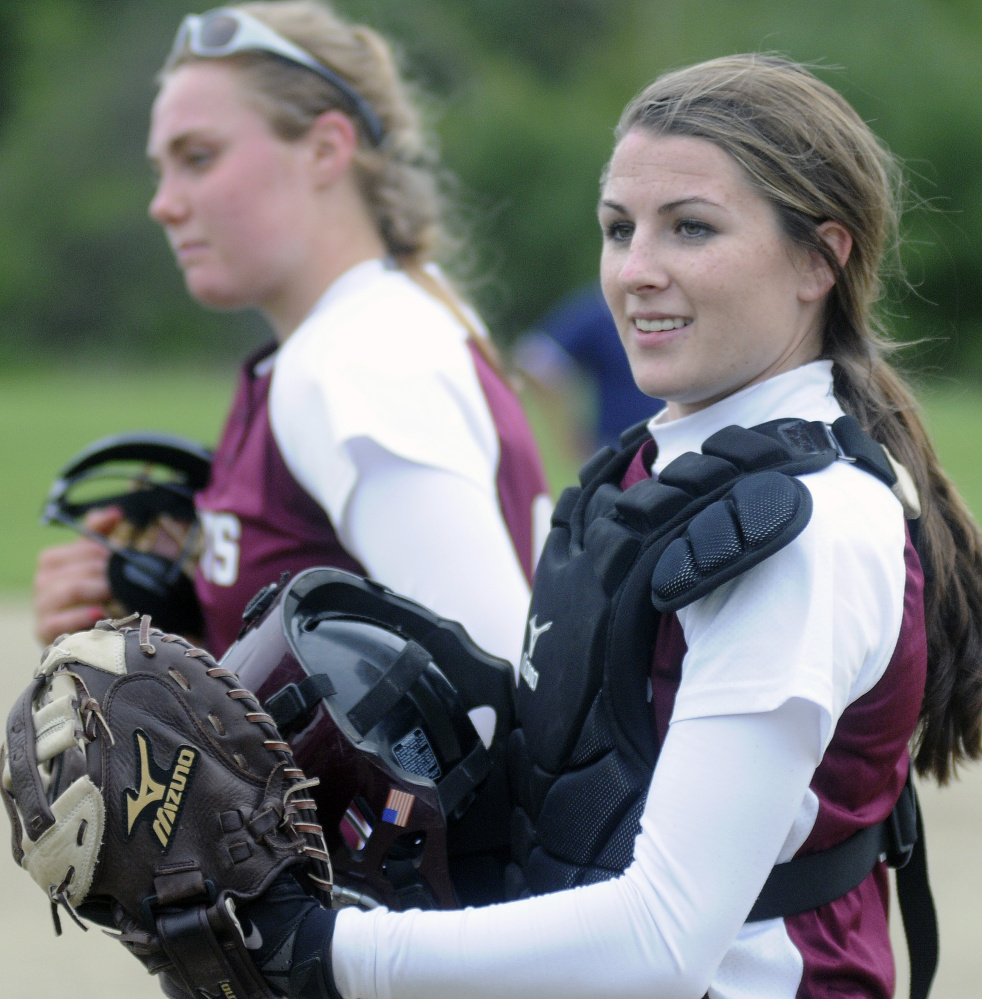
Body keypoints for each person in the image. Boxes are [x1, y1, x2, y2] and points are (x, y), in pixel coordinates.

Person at [233, 54, 982, 999]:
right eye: (619, 228)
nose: (636, 271)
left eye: (691, 229)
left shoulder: (806, 530)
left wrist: (327, 950)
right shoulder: (646, 469)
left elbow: (663, 937)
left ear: (817, 261)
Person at [31, 1, 551, 671]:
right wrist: (178, 636)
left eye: (199, 156)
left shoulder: (360, 358)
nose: (164, 202)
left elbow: (495, 682)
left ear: (326, 148)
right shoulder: (358, 333)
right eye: (163, 168)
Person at [512, 282, 660, 459]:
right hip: (620, 452)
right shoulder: (602, 310)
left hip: (682, 444)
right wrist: (569, 431)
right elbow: (534, 358)